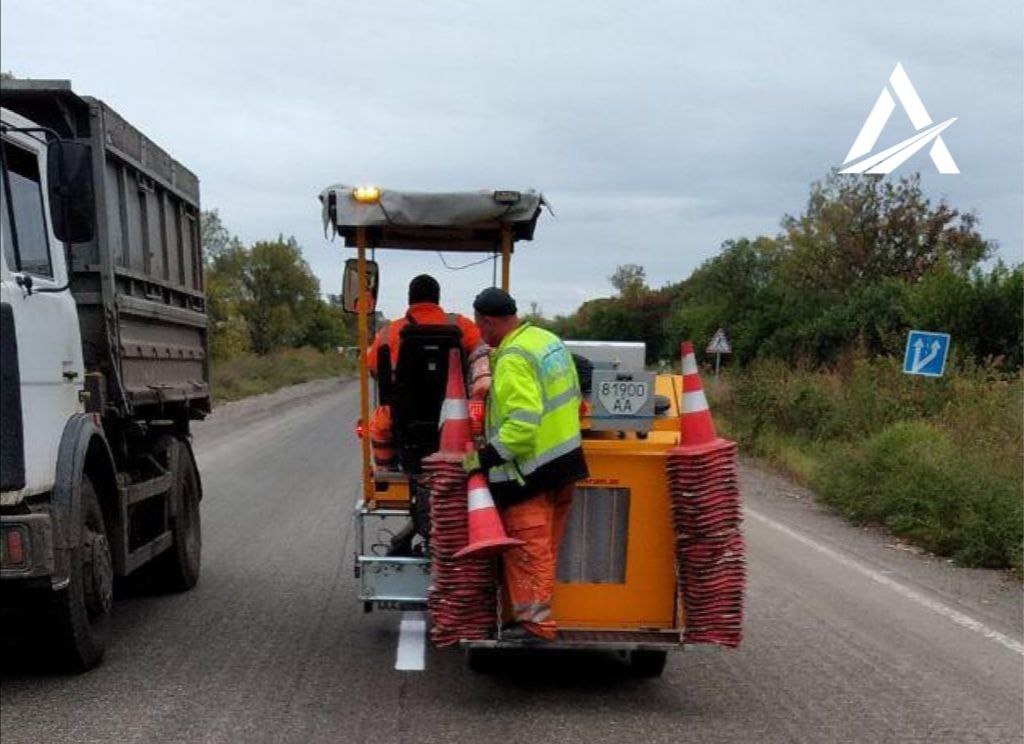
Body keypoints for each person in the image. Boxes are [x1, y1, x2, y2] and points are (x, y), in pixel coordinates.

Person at [462, 287, 588, 642]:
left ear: (488, 321)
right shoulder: (547, 340)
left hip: (530, 473)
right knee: (545, 549)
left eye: (480, 327)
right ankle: (534, 618)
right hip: (565, 464)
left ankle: (536, 626)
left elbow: (521, 426)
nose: (481, 336)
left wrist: (483, 459)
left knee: (528, 551)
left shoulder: (514, 357)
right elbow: (574, 398)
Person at [368, 274, 489, 398]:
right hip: (454, 411)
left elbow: (374, 369)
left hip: (400, 413)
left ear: (410, 299)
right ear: (437, 298)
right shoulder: (461, 325)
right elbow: (482, 352)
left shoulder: (388, 332)